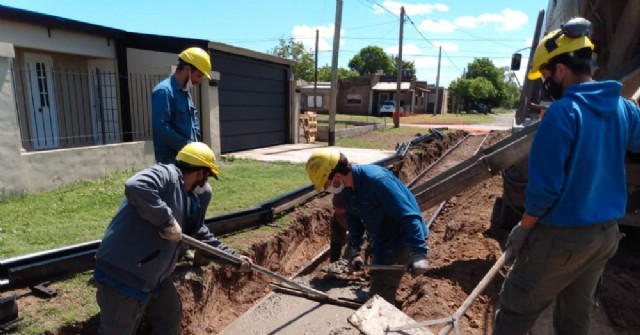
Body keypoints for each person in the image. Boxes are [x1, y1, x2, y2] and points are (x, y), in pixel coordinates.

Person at [493, 17, 640, 335]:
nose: (546, 82)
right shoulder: (624, 108)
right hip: (604, 237)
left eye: (545, 74)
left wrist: (523, 228)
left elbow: (545, 190)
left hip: (563, 237)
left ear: (559, 70)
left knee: (514, 310)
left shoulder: (562, 113)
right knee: (576, 316)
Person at [94, 142, 252, 335]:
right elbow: (136, 185)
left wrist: (234, 259)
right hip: (124, 275)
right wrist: (167, 220)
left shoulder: (189, 198)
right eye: (207, 176)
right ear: (200, 172)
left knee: (169, 317)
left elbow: (201, 236)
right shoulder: (166, 175)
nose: (206, 184)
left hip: (154, 277)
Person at [305, 148, 429, 304]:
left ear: (337, 176)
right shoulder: (348, 189)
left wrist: (419, 252)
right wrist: (354, 251)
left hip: (403, 238)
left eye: (326, 184)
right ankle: (379, 301)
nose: (326, 189)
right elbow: (354, 219)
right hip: (383, 238)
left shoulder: (377, 181)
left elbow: (409, 216)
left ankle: (383, 320)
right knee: (378, 280)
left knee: (380, 295)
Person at [151, 47, 212, 226]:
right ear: (187, 69)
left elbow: (193, 125)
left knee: (203, 194)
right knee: (181, 203)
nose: (199, 81)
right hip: (173, 163)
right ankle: (181, 245)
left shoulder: (185, 94)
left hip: (190, 163)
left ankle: (191, 239)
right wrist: (188, 148)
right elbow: (161, 128)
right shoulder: (164, 92)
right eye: (199, 75)